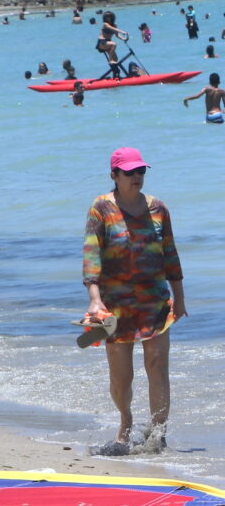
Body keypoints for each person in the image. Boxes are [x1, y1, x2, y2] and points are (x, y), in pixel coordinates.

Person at [82, 148, 186, 455]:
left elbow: (170, 255)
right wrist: (94, 300)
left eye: (140, 171)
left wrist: (179, 299)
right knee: (121, 377)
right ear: (114, 175)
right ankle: (125, 423)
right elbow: (92, 254)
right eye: (129, 173)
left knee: (157, 366)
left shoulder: (158, 209)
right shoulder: (101, 208)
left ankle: (158, 433)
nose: (136, 177)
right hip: (116, 305)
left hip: (155, 302)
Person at [97, 11, 127, 78]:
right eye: (107, 16)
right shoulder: (105, 24)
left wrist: (124, 39)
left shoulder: (115, 25)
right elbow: (112, 28)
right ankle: (110, 61)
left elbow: (117, 35)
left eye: (110, 16)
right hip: (102, 42)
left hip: (108, 43)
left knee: (116, 59)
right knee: (114, 44)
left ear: (112, 17)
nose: (108, 18)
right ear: (105, 17)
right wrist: (122, 31)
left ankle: (115, 75)